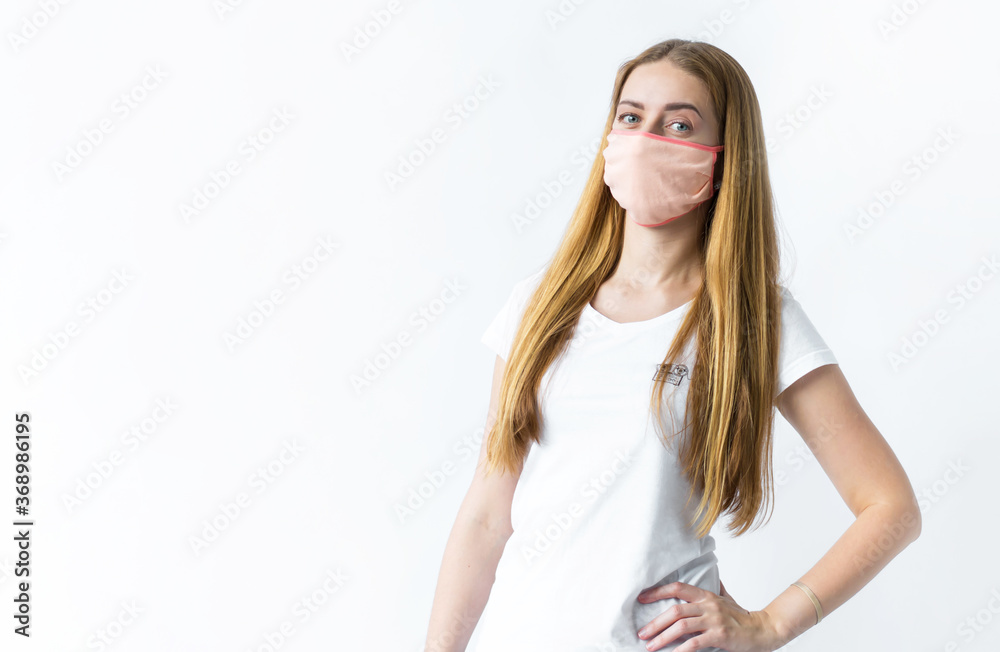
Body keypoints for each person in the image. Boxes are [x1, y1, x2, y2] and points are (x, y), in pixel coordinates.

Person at [425, 38, 921, 652]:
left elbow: (891, 507)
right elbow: (486, 514)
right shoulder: (539, 304)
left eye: (678, 124)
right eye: (631, 117)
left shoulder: (753, 320)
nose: (645, 139)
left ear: (724, 154)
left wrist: (772, 624)